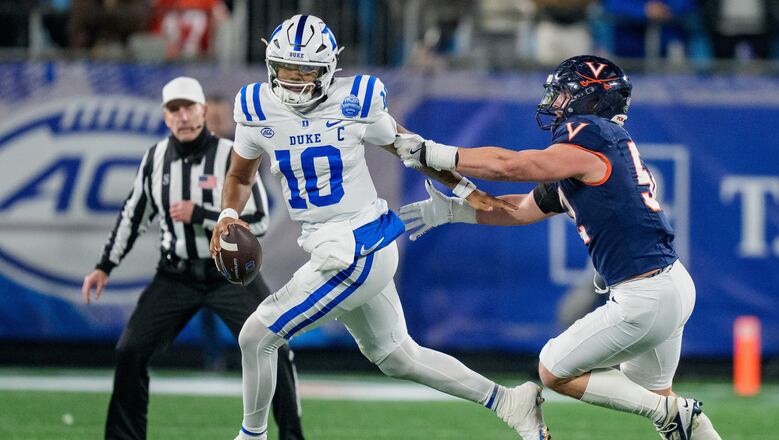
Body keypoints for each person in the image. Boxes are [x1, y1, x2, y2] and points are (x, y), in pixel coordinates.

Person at [209, 14, 548, 440]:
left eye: (306, 71)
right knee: (396, 356)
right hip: (336, 246)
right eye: (286, 69)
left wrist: (464, 188)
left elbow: (412, 147)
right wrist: (227, 216)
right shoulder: (257, 108)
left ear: (328, 69)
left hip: (357, 247)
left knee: (257, 335)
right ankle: (508, 402)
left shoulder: (357, 101)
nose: (294, 80)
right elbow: (239, 177)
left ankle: (252, 437)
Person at [394, 55, 723, 440]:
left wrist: (434, 153)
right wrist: (455, 213)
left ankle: (671, 412)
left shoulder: (592, 134)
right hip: (669, 284)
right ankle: (678, 416)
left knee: (554, 369)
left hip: (645, 295)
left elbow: (509, 166)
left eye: (564, 94)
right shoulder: (591, 153)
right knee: (661, 404)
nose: (554, 103)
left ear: (593, 100)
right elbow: (520, 209)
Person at [82, 76, 305, 440]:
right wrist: (105, 266)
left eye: (189, 108)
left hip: (228, 277)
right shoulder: (155, 158)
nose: (182, 116)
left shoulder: (230, 155)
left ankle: (292, 436)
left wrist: (203, 215)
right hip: (176, 273)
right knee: (130, 351)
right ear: (165, 117)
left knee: (274, 347)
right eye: (174, 110)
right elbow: (132, 216)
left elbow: (261, 218)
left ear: (203, 111)